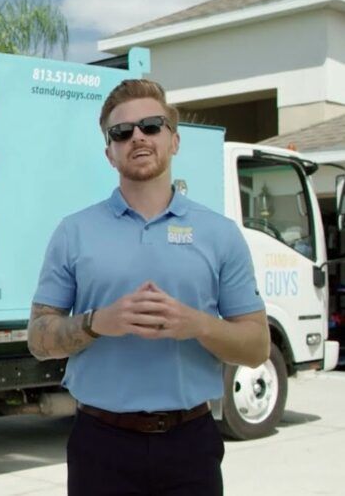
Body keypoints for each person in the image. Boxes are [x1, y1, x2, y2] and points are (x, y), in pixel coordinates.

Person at [27, 79, 269, 496]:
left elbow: (257, 347)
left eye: (151, 126)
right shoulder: (74, 232)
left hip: (189, 443)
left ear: (173, 141)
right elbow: (37, 338)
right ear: (109, 153)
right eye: (121, 132)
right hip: (100, 443)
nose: (137, 136)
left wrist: (198, 324)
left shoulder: (220, 234)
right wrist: (100, 321)